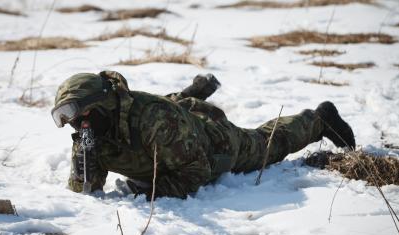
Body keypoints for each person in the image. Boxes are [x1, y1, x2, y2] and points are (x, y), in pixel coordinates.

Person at [51, 71, 355, 199]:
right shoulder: (92, 134)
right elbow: (83, 194)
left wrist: (148, 192)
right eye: (67, 119)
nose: (75, 126)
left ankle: (319, 120)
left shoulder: (154, 121)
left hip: (212, 141)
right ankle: (191, 94)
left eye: (79, 116)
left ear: (101, 105)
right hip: (174, 124)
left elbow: (197, 171)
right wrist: (84, 166)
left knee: (265, 145)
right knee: (171, 112)